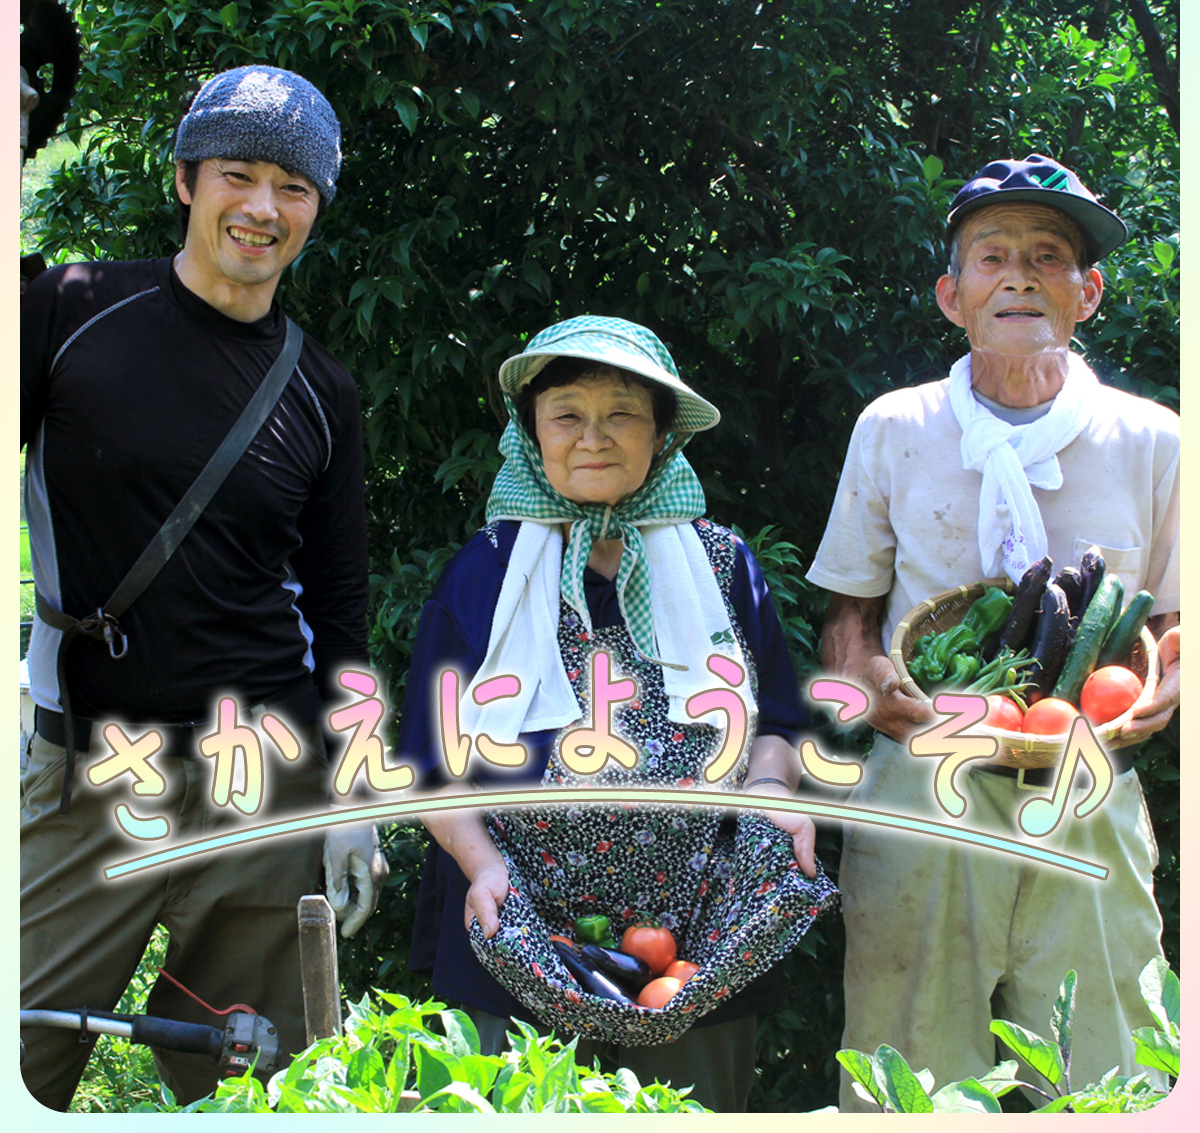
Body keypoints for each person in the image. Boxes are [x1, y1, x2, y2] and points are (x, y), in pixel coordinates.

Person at [21, 65, 386, 1109]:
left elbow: (338, 609)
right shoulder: (68, 312)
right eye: (238, 174)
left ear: (315, 209)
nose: (263, 207)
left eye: (294, 187)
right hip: (87, 768)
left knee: (255, 1084)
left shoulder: (322, 393)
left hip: (259, 784)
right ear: (187, 180)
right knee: (19, 1051)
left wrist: (353, 793)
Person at [805, 154, 1180, 1109]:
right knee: (908, 1076)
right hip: (925, 787)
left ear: (1087, 292)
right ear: (952, 293)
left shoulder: (1152, 439)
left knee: (1112, 1069)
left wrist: (1167, 682)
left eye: (1050, 256)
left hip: (1088, 793)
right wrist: (870, 683)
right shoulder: (895, 425)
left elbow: (1173, 625)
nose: (1020, 274)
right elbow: (848, 613)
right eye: (992, 255)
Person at [395, 316, 835, 1112]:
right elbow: (431, 762)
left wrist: (773, 795)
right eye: (567, 413)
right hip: (516, 925)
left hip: (695, 943)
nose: (592, 437)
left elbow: (774, 724)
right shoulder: (487, 573)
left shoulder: (722, 565)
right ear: (531, 430)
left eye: (623, 413)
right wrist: (482, 865)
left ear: (662, 435)